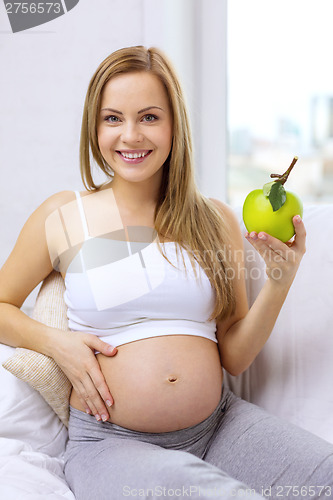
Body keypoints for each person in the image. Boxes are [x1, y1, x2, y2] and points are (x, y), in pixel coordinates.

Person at [0, 45, 332, 500]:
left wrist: (279, 281)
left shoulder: (214, 219)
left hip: (221, 426)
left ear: (175, 125)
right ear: (94, 127)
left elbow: (232, 354)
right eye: (112, 118)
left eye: (150, 117)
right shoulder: (63, 214)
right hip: (112, 444)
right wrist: (57, 344)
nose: (130, 136)